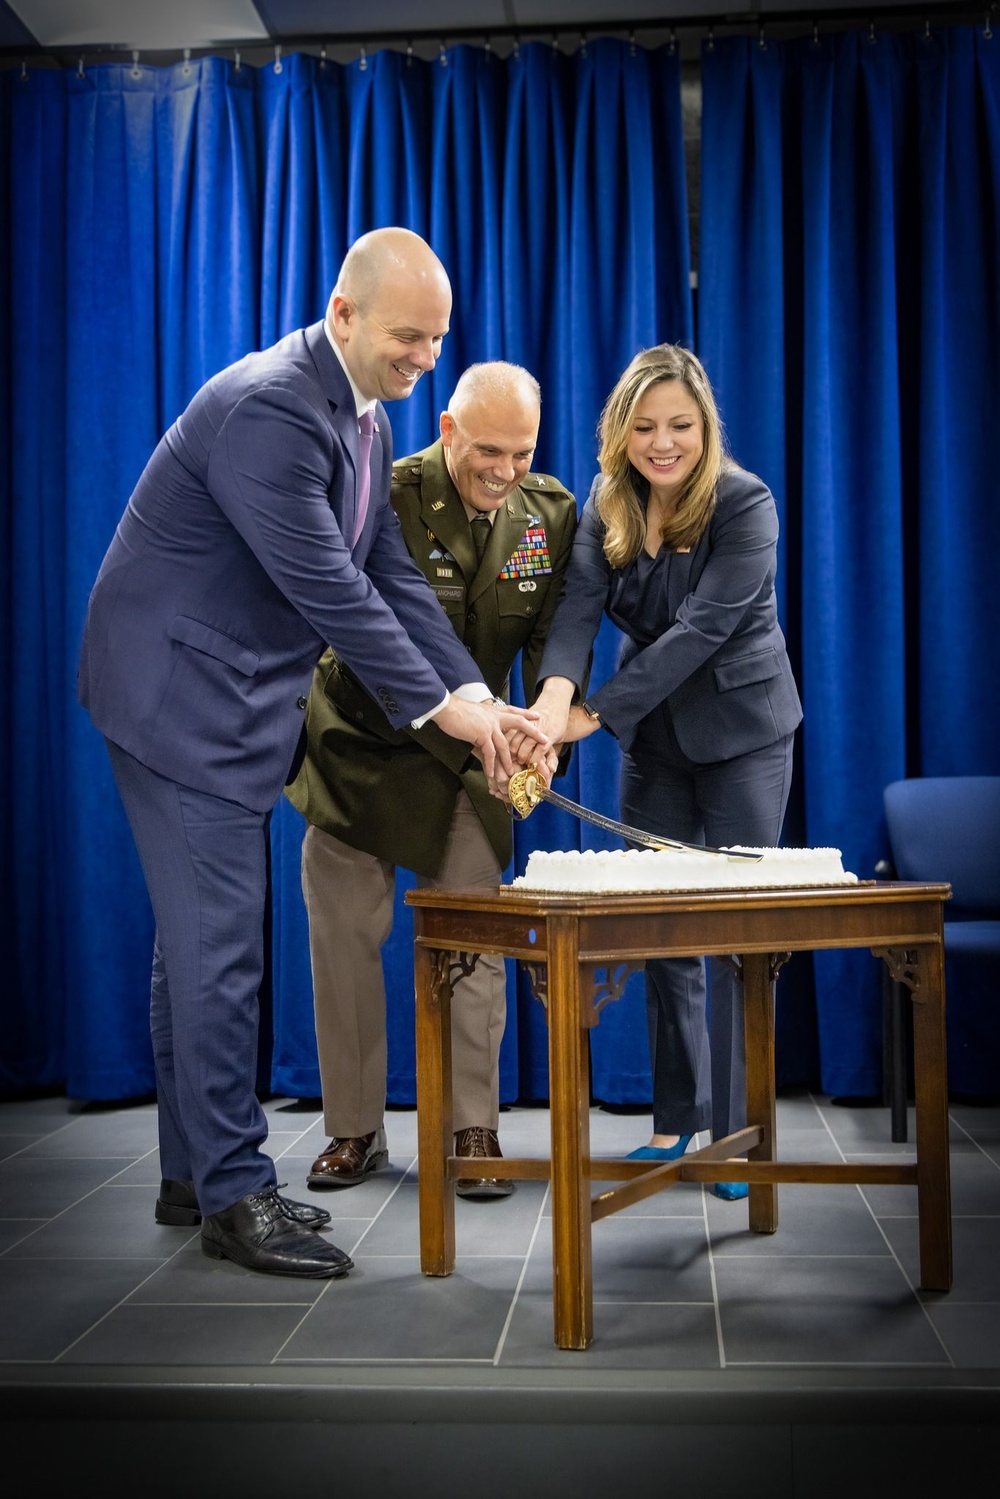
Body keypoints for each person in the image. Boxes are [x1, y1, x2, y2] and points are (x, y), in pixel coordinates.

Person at [77, 227, 548, 1278]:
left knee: (197, 941)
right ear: (343, 315)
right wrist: (457, 716)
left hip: (230, 701)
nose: (424, 354)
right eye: (406, 335)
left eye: (435, 337)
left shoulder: (365, 419)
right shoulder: (273, 411)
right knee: (221, 946)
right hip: (175, 698)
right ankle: (238, 1194)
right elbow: (330, 592)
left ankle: (190, 1173)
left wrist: (475, 692)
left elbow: (389, 577)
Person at [286, 362, 577, 1199]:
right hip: (363, 744)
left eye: (521, 451)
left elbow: (555, 637)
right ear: (448, 429)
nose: (506, 469)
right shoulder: (384, 489)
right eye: (489, 449)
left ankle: (473, 1125)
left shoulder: (548, 514)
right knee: (344, 938)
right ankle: (353, 1130)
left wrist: (543, 725)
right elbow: (365, 615)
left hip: (470, 759)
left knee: (475, 943)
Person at [524, 343, 802, 1199]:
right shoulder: (604, 505)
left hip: (744, 735)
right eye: (645, 426)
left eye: (679, 425)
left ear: (704, 427)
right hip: (656, 740)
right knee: (661, 933)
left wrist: (593, 713)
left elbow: (699, 633)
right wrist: (549, 707)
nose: (663, 442)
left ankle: (737, 1137)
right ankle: (678, 1125)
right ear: (621, 432)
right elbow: (573, 614)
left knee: (731, 939)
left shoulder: (745, 503)